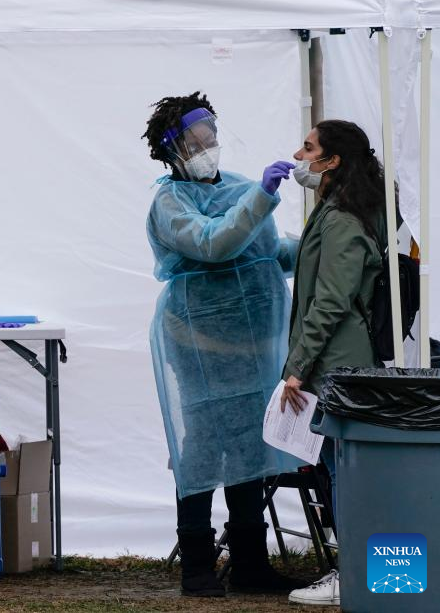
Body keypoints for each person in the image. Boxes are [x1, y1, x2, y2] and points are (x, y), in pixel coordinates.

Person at [143, 92, 307, 597]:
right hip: (197, 342)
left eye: (210, 137)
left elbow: (267, 251)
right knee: (201, 446)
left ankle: (250, 564)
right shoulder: (170, 202)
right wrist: (262, 195)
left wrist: (320, 242)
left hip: (250, 345)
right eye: (195, 142)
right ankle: (196, 564)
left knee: (249, 444)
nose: (207, 148)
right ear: (172, 151)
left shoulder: (237, 186)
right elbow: (215, 244)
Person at [281, 120, 387, 607]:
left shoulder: (343, 219)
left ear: (332, 161)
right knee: (336, 467)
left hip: (338, 366)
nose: (299, 156)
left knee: (344, 471)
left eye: (308, 148)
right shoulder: (336, 210)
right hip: (335, 363)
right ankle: (354, 572)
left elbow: (329, 302)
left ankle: (352, 575)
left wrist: (298, 367)